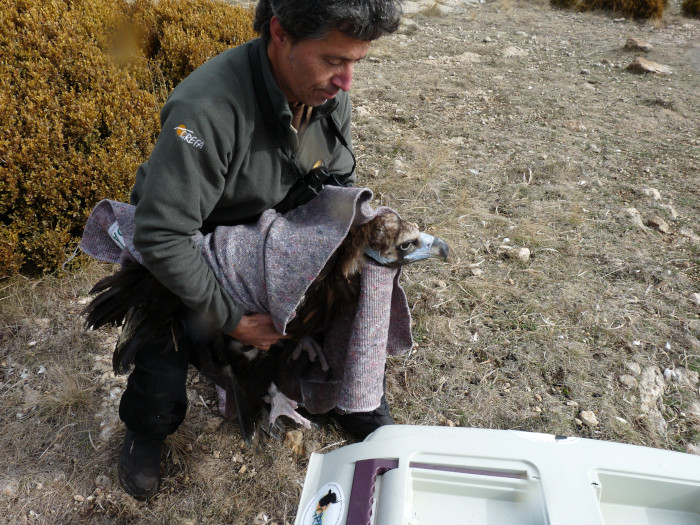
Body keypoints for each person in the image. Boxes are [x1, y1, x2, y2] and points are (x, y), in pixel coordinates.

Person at [117, 0, 404, 500]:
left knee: (364, 265)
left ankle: (353, 398)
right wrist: (231, 316)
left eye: (356, 61)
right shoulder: (206, 111)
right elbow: (162, 235)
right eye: (335, 60)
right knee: (164, 344)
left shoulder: (327, 98)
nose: (347, 81)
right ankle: (148, 428)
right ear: (280, 32)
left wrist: (331, 254)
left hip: (269, 234)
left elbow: (333, 182)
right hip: (192, 246)